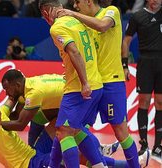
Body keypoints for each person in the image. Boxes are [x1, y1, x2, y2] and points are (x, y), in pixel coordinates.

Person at [0, 78, 150, 168]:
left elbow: (11, 98)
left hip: (34, 151)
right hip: (29, 164)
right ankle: (127, 164)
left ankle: (98, 150)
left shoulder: (1, 112)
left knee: (60, 122)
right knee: (76, 155)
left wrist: (18, 83)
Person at [56, 0, 141, 166]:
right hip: (93, 84)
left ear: (88, 1)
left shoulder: (111, 11)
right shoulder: (83, 23)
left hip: (111, 83)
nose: (75, 6)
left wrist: (73, 14)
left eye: (77, 2)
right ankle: (99, 163)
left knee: (120, 131)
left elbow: (102, 26)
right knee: (73, 128)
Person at [39, 0, 107, 167]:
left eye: (43, 16)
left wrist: (84, 83)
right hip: (95, 81)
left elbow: (74, 52)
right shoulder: (77, 19)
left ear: (47, 12)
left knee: (64, 132)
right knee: (69, 129)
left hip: (79, 87)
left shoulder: (56, 28)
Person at [122, 0, 162, 158]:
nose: (156, 0)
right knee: (143, 101)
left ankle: (158, 145)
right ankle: (144, 143)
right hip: (145, 62)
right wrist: (125, 65)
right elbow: (126, 40)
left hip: (161, 62)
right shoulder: (137, 16)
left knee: (160, 102)